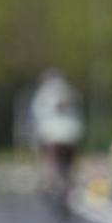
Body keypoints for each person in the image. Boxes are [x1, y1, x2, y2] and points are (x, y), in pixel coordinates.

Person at [31, 67, 85, 208]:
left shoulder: (42, 94)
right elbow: (79, 111)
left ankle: (50, 181)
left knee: (48, 160)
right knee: (69, 164)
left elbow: (37, 116)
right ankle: (68, 183)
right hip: (72, 133)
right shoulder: (69, 91)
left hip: (51, 134)